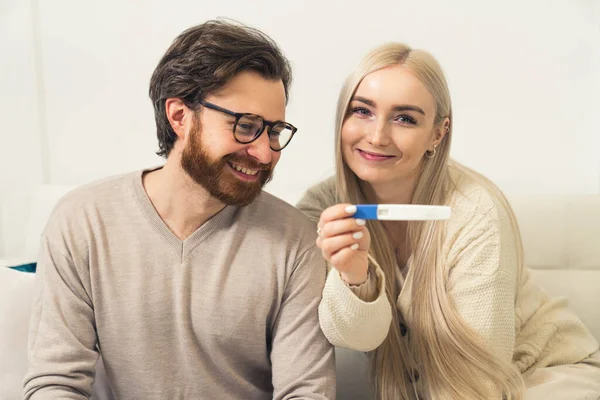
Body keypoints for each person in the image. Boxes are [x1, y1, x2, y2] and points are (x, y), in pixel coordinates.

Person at [24, 19, 335, 400]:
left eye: (273, 131)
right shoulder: (82, 221)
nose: (265, 152)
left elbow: (305, 392)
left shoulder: (294, 240)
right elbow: (55, 384)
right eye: (245, 125)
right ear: (179, 116)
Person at [297, 42, 600, 399]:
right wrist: (354, 276)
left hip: (539, 377)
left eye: (404, 118)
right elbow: (356, 336)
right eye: (362, 111)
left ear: (438, 134)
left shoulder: (475, 210)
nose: (377, 136)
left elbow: (478, 381)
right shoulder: (322, 208)